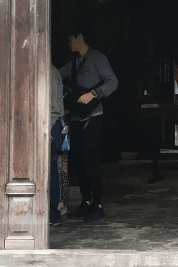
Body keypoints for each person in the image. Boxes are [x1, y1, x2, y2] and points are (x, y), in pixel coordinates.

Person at [60, 28, 118, 222]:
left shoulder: (97, 58)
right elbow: (56, 76)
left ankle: (98, 205)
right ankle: (85, 202)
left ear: (80, 37)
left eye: (71, 39)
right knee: (77, 162)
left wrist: (94, 94)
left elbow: (113, 82)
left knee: (91, 162)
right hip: (76, 118)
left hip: (93, 117)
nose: (69, 44)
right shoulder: (72, 64)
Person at [50, 64, 66, 226]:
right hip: (52, 125)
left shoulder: (47, 72)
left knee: (50, 173)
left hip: (50, 126)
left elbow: (53, 108)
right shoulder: (51, 70)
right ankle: (52, 216)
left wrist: (47, 131)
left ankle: (53, 216)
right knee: (51, 172)